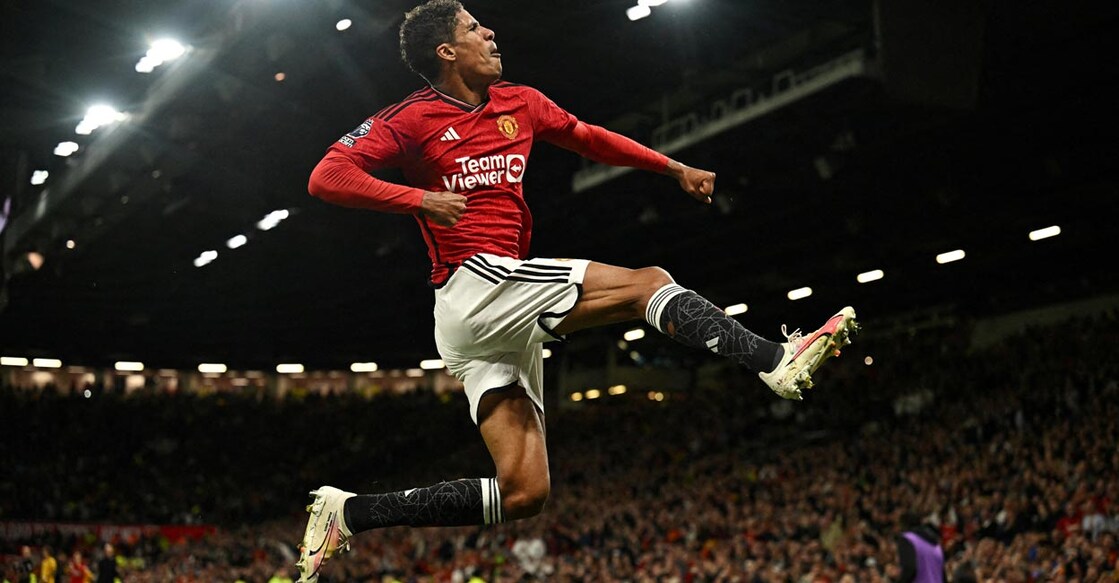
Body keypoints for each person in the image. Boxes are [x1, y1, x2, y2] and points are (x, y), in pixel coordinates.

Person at [297, 1, 858, 580]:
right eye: (472, 27)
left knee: (524, 493)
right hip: (474, 282)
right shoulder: (408, 119)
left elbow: (588, 138)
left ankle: (351, 514)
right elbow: (326, 177)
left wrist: (672, 169)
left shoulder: (522, 102)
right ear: (447, 52)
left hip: (487, 318)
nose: (490, 31)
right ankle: (774, 359)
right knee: (649, 284)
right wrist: (419, 199)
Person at [894, 514, 947, 583]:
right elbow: (943, 575)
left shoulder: (907, 539)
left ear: (903, 525)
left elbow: (910, 568)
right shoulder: (936, 543)